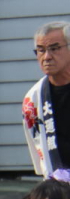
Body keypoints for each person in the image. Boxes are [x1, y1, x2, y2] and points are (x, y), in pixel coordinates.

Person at [23, 21, 70, 178]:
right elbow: (38, 149)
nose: (47, 57)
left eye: (54, 49)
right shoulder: (33, 98)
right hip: (58, 182)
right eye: (40, 50)